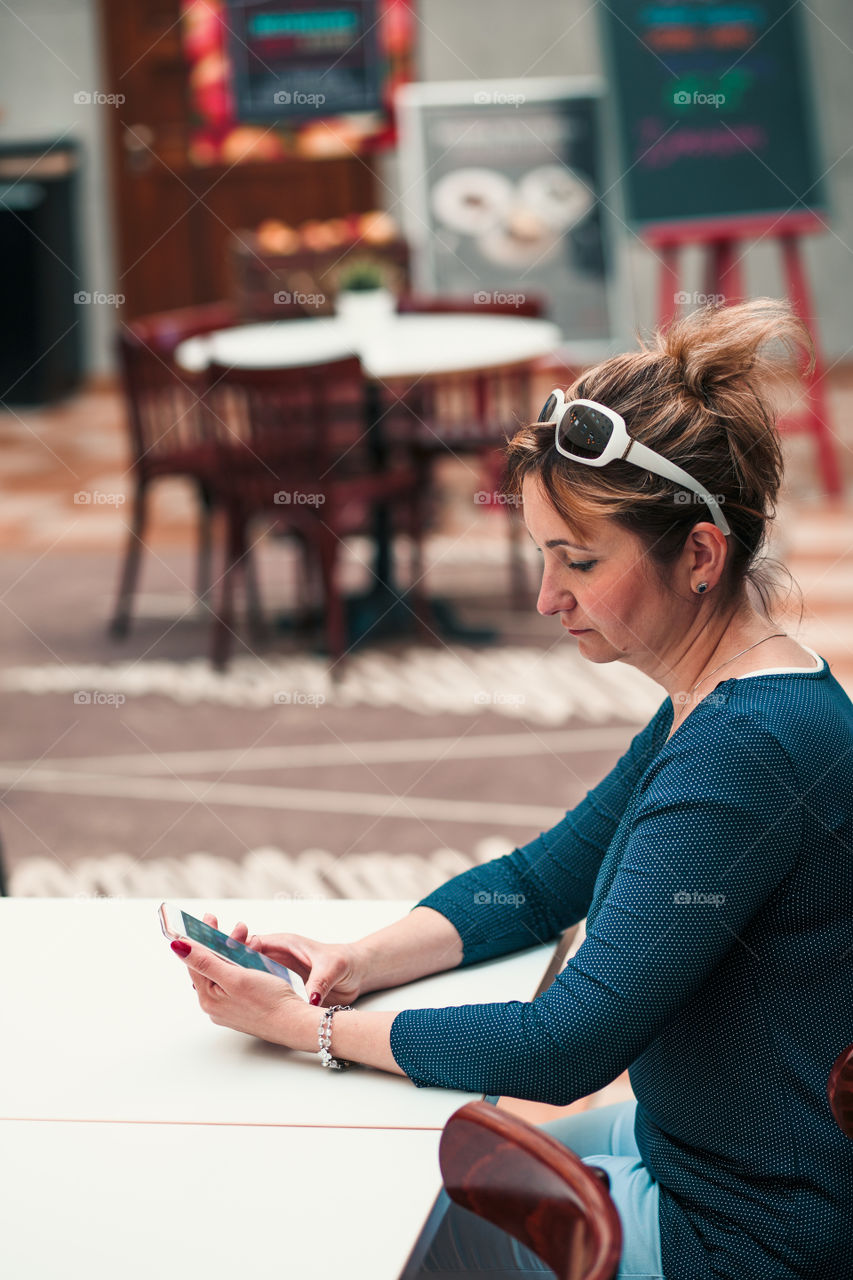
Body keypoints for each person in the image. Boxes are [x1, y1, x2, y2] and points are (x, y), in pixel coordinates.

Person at [171, 299, 853, 1280]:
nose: (547, 597)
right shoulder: (735, 696)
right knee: (435, 1163)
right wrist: (357, 960)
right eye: (541, 554)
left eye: (578, 560)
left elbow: (563, 1043)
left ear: (699, 554)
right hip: (701, 1144)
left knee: (405, 1225)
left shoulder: (746, 751)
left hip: (747, 1226)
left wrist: (307, 1028)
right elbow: (539, 881)